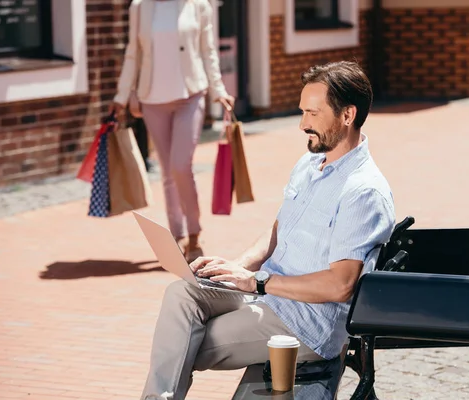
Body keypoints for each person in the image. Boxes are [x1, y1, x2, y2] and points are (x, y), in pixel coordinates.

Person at [140, 61, 396, 400]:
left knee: (182, 342)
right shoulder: (310, 163)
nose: (304, 124)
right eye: (303, 112)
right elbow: (279, 228)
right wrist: (237, 267)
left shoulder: (363, 191)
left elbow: (340, 285)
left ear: (347, 116)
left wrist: (256, 281)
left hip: (305, 323)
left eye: (313, 114)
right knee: (181, 293)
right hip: (267, 293)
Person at [112, 0, 234, 262]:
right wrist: (122, 96)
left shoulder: (199, 5)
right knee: (168, 171)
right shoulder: (140, 7)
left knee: (181, 165)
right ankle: (176, 235)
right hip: (152, 99)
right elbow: (133, 53)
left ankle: (194, 233)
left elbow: (208, 52)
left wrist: (219, 90)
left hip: (190, 95)